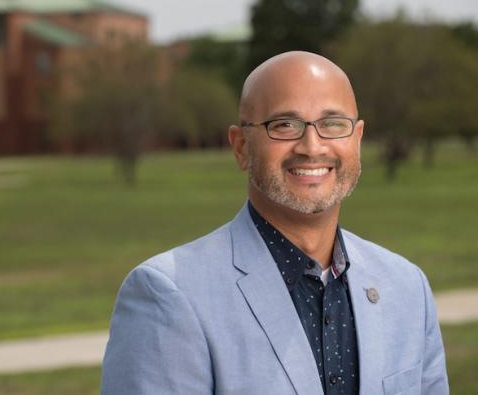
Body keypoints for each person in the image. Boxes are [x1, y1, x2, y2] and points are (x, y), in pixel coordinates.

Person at [100, 51, 448, 395]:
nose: (312, 146)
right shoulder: (169, 294)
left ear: (356, 139)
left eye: (332, 124)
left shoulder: (406, 287)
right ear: (241, 147)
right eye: (284, 125)